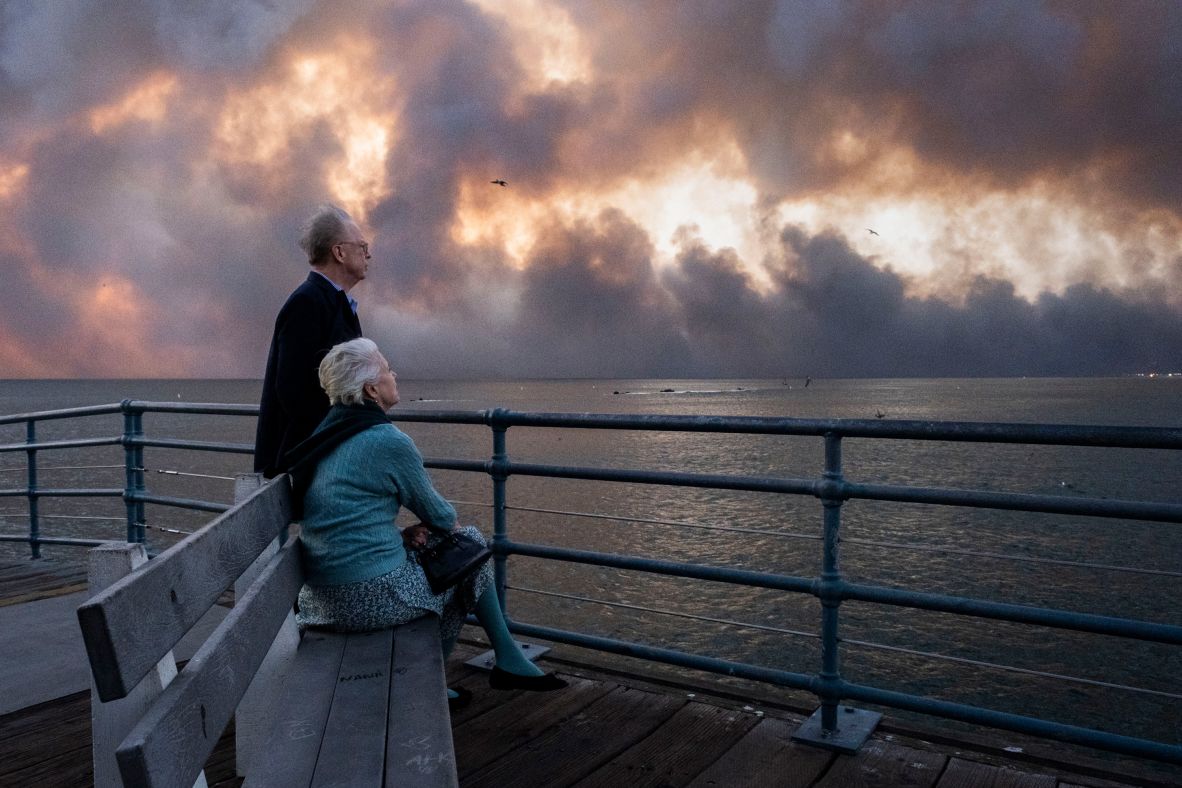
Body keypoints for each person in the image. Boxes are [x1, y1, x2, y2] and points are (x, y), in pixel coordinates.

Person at [283, 338, 566, 701]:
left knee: (459, 563)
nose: (393, 374)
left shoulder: (326, 434)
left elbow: (342, 517)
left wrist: (401, 535)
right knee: (471, 553)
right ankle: (466, 672)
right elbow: (441, 516)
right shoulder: (386, 440)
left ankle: (480, 666)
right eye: (387, 369)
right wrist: (441, 529)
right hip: (364, 599)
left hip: (321, 598)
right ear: (372, 389)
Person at [254, 204, 369, 478]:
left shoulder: (332, 303)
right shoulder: (308, 302)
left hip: (324, 452)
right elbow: (292, 390)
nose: (368, 254)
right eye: (362, 246)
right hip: (309, 458)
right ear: (339, 252)